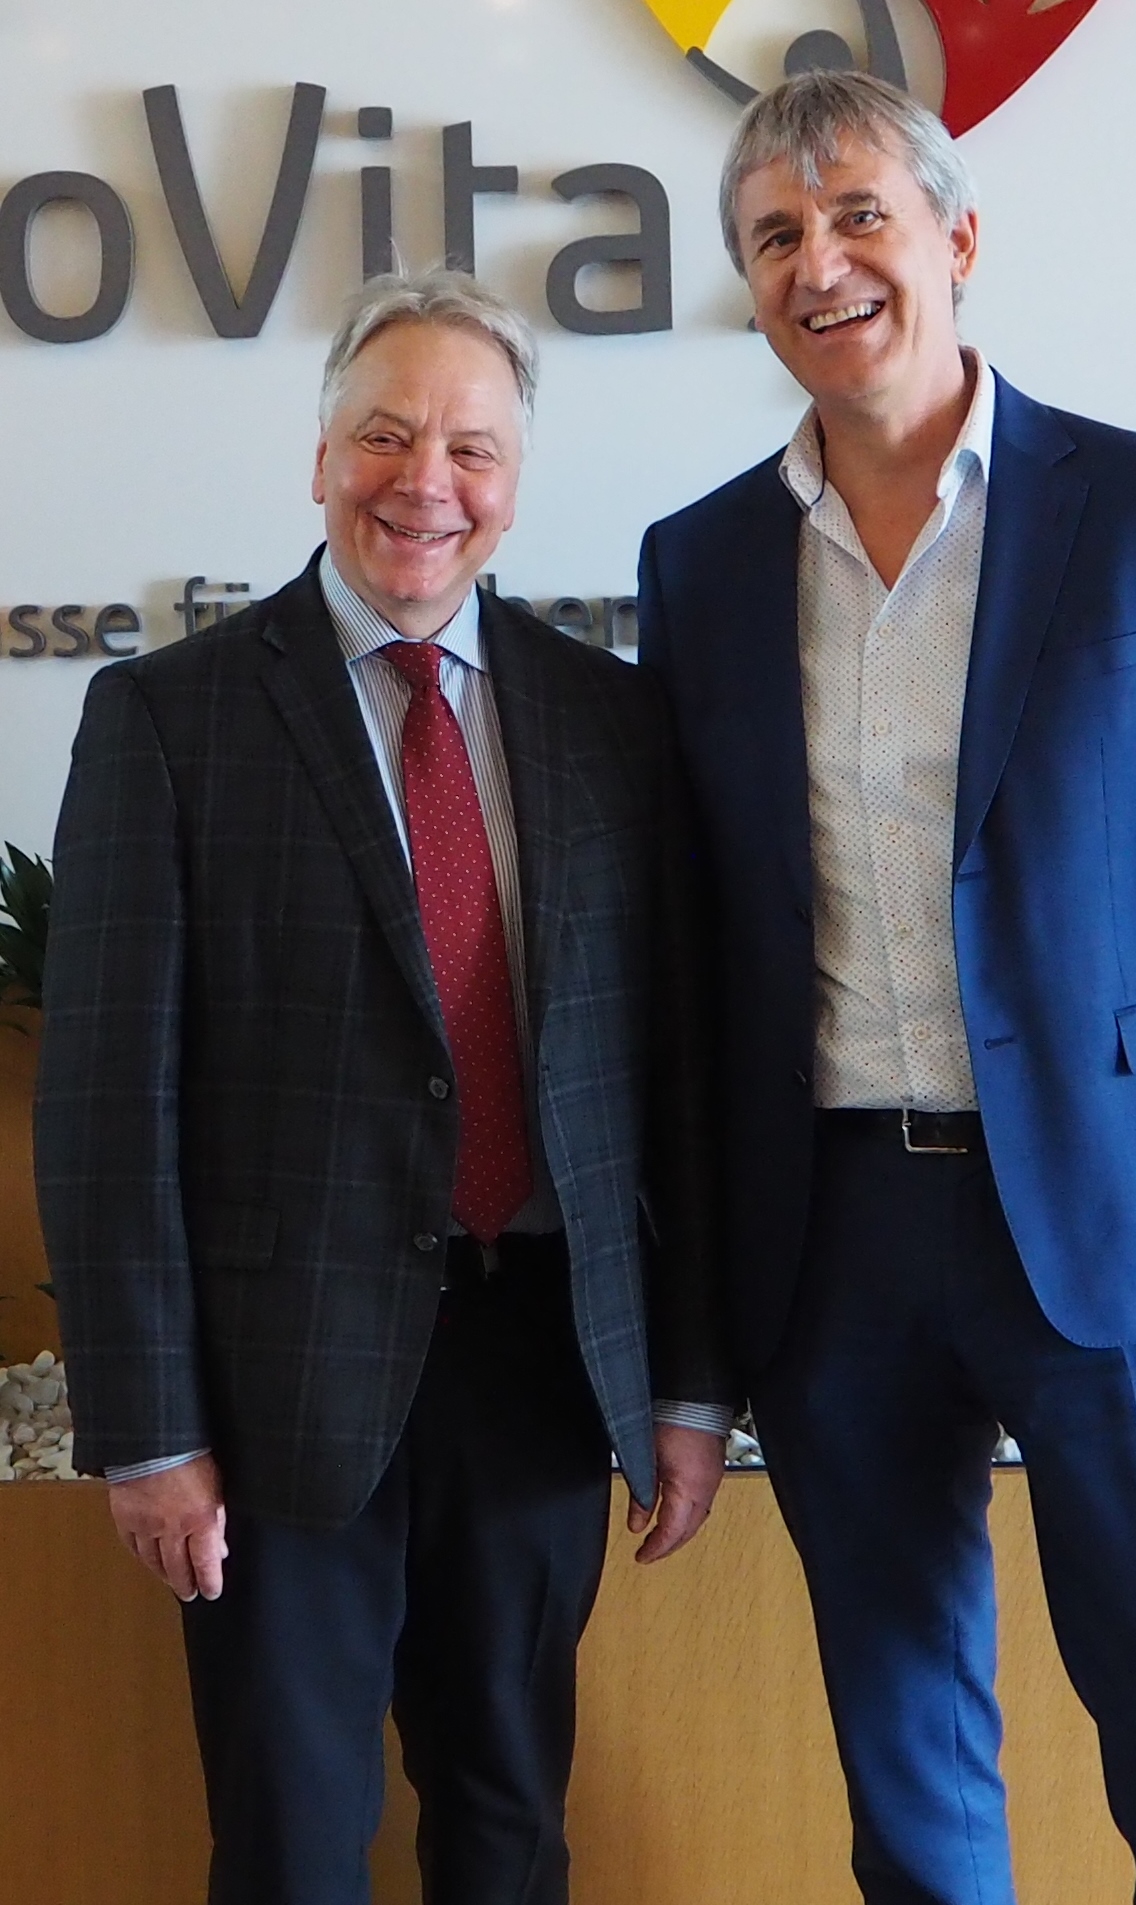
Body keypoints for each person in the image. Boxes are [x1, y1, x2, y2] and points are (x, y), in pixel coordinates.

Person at [638, 72, 1136, 1905]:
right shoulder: (698, 564)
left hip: (1121, 1232)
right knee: (910, 1773)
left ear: (955, 238)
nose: (820, 263)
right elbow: (698, 964)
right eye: (775, 237)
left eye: (857, 215)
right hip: (832, 1239)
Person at [35, 267, 734, 1905]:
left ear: (515, 481)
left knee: (509, 1825)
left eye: (471, 448)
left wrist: (688, 1386)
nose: (426, 481)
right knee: (291, 1840)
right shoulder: (168, 719)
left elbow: (671, 1080)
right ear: (319, 455)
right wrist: (149, 1432)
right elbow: (105, 1108)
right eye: (384, 435)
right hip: (277, 1387)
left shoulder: (609, 722)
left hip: (537, 1357)